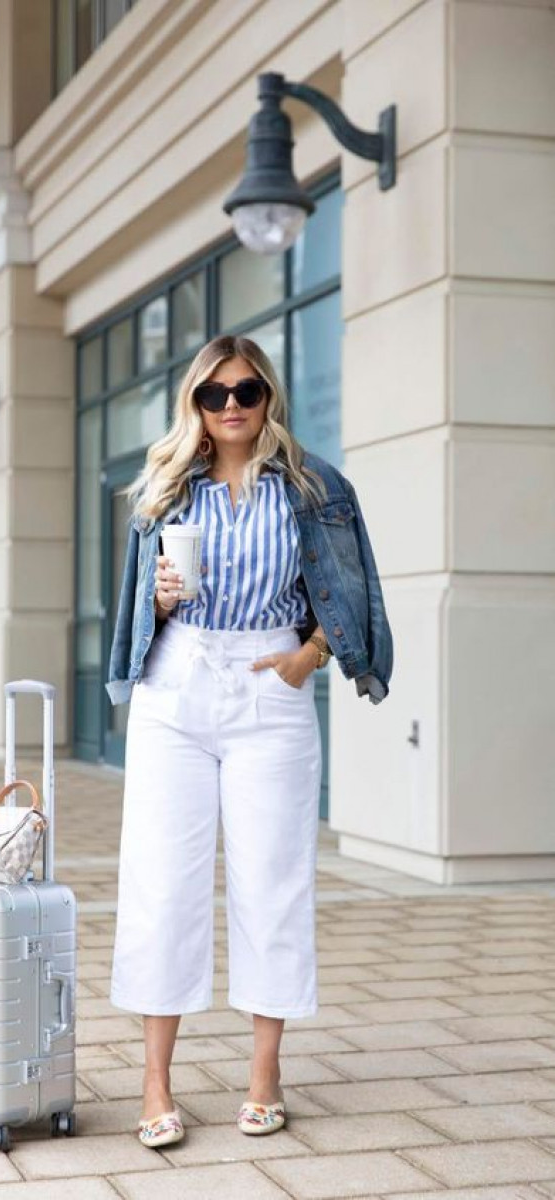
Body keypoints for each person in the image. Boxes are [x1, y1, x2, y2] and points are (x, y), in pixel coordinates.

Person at [105, 334, 393, 1148]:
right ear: (193, 404)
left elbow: (355, 586)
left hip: (272, 681)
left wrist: (309, 657)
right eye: (213, 394)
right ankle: (156, 1083)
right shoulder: (165, 490)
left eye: (246, 391)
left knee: (273, 882)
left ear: (269, 396)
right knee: (163, 886)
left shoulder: (315, 486)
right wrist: (160, 603)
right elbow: (130, 610)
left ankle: (264, 1076)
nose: (231, 406)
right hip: (179, 681)